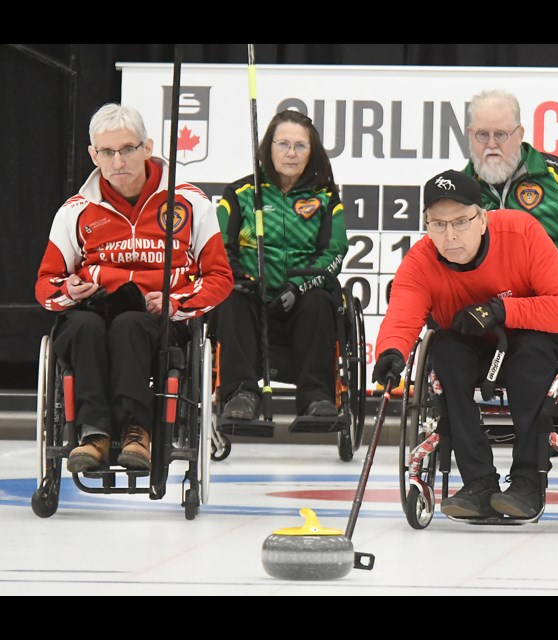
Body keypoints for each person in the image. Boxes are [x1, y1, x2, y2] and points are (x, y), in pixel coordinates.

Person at [372, 169, 558, 520]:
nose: (450, 235)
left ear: (482, 219)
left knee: (531, 358)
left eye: (461, 222)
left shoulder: (521, 233)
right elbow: (403, 313)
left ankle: (527, 481)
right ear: (426, 226)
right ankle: (478, 481)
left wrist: (503, 309)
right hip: (468, 345)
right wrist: (391, 352)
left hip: (529, 338)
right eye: (438, 224)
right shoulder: (420, 262)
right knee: (443, 350)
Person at [35, 103, 233, 473]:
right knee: (83, 326)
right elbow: (46, 285)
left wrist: (177, 303)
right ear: (94, 155)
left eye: (127, 149)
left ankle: (136, 433)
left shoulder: (191, 202)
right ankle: (93, 435)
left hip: (158, 319)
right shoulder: (75, 211)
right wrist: (70, 289)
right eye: (107, 152)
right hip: (94, 312)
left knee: (130, 324)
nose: (118, 160)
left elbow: (219, 277)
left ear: (147, 147)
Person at [216, 109, 348, 420]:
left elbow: (335, 253)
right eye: (283, 144)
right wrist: (243, 278)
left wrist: (298, 287)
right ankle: (241, 394)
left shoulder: (327, 198)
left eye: (300, 146)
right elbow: (219, 248)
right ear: (268, 148)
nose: (291, 153)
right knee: (229, 295)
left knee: (320, 300)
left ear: (311, 151)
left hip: (301, 299)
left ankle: (316, 397)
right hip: (251, 296)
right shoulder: (239, 194)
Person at [463, 89, 558, 332]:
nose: (491, 144)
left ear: (519, 134)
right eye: (482, 135)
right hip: (489, 302)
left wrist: (552, 267)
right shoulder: (460, 189)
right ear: (470, 136)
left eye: (500, 134)